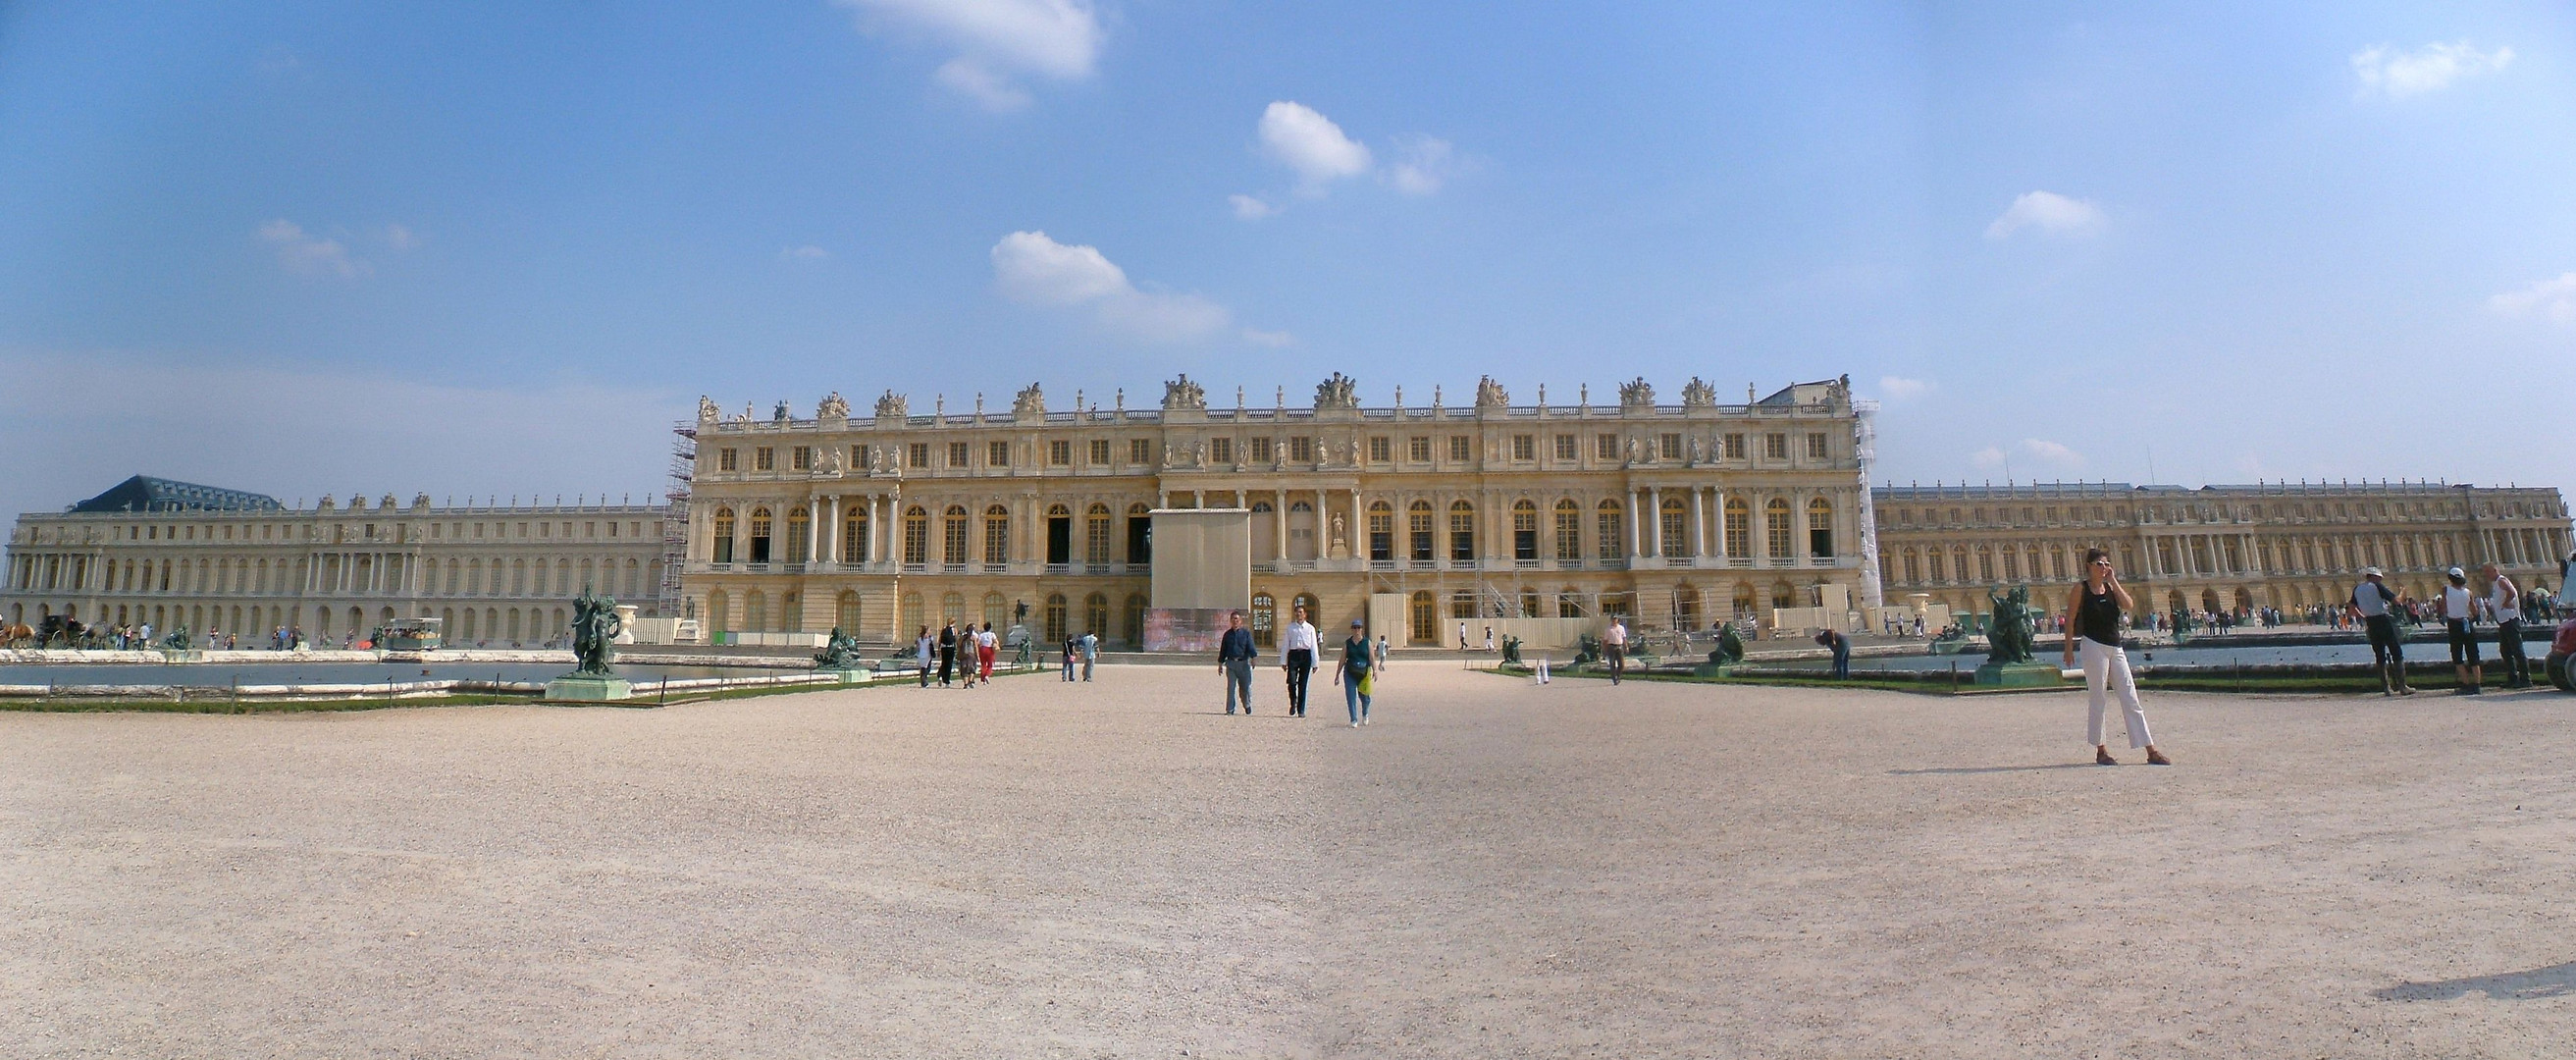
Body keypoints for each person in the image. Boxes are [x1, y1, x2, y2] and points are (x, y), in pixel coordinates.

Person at [2063, 548, 2171, 767]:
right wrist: (2068, 648)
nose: (2104, 567)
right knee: (2098, 698)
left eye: (2106, 564)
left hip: (2115, 646)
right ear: (2089, 566)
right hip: (2092, 645)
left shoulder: (2111, 588)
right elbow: (2071, 617)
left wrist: (2114, 582)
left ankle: (2151, 749)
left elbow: (2129, 605)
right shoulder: (2081, 589)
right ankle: (2101, 750)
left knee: (2131, 697)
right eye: (2099, 564)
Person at [2348, 567, 2412, 696]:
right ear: (2375, 577)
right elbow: (2396, 601)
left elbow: (2351, 608)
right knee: (2396, 652)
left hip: (2371, 623)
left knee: (2379, 655)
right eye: (2380, 578)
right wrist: (2402, 593)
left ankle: (2386, 688)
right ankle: (2402, 686)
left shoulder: (2357, 589)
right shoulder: (2377, 586)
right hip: (2383, 620)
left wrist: (2363, 616)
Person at [2479, 564, 2530, 689]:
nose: (2486, 575)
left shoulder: (2501, 580)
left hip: (2510, 619)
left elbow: (2512, 592)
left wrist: (2506, 603)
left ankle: (2525, 680)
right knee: (2506, 651)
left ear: (2494, 570)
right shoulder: (2497, 582)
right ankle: (2513, 678)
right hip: (2504, 621)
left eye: (2487, 572)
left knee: (2517, 650)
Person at [2440, 566, 2483, 695]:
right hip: (2467, 623)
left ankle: (2465, 684)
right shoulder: (2468, 592)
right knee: (2473, 655)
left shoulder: (2446, 590)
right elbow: (2475, 611)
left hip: (2454, 624)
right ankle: (2477, 685)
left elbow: (2443, 607)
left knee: (2457, 655)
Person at [1334, 619, 1375, 727]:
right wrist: (1337, 674)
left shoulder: (1367, 642)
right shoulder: (1348, 643)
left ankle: (1365, 713)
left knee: (1365, 697)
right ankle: (1353, 719)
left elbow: (1371, 657)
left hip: (1364, 672)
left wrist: (1375, 670)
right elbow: (1342, 659)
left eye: (1359, 627)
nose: (1357, 630)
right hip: (1350, 671)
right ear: (1352, 629)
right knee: (1350, 696)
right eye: (1355, 628)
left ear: (1362, 629)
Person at [1282, 603, 1320, 717]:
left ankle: (1301, 709)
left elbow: (1314, 646)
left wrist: (1315, 663)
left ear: (1305, 615)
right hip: (1293, 655)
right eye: (1297, 612)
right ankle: (1293, 702)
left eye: (1301, 612)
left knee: (1303, 684)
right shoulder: (1290, 628)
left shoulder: (1310, 628)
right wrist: (1283, 661)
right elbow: (1285, 645)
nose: (1298, 614)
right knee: (1292, 682)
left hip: (1305, 655)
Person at [1218, 610, 1257, 714]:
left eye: (1237, 619)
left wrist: (1254, 658)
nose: (1235, 621)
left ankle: (1247, 704)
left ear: (1240, 621)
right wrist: (1220, 664)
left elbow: (1251, 647)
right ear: (1230, 621)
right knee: (1231, 688)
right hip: (1231, 664)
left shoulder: (1246, 634)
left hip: (1243, 664)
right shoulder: (1227, 635)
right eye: (1233, 619)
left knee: (1245, 687)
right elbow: (1223, 650)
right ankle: (1230, 709)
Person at [1603, 617, 1628, 685]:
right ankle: (1614, 678)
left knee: (1621, 664)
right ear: (1611, 620)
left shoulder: (1621, 628)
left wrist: (1626, 646)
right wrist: (1605, 649)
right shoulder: (1608, 629)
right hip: (1611, 646)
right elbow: (1605, 640)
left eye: (1615, 619)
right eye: (1613, 619)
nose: (1614, 620)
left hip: (1619, 646)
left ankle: (1618, 676)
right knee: (1612, 663)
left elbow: (1624, 638)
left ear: (1617, 620)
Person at [936, 621, 958, 688]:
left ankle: (940, 676)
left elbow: (940, 640)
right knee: (949, 665)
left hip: (943, 648)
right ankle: (947, 681)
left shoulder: (944, 629)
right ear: (953, 622)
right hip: (950, 648)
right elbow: (955, 639)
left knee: (944, 663)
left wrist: (939, 649)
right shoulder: (954, 629)